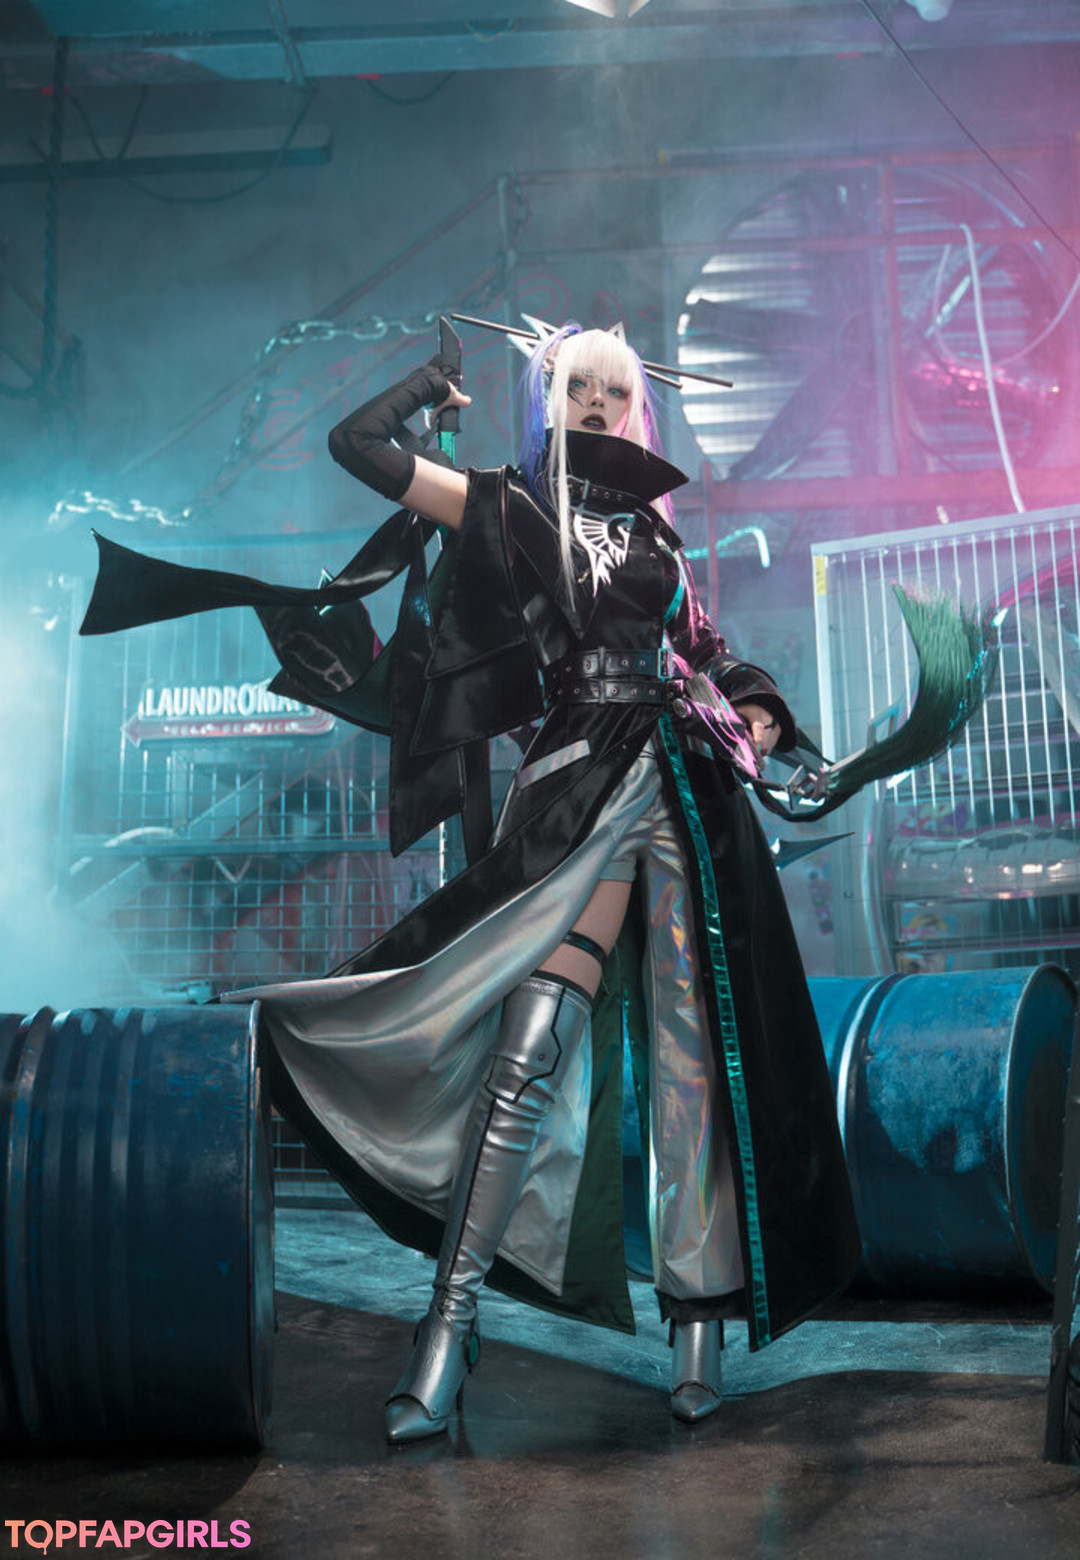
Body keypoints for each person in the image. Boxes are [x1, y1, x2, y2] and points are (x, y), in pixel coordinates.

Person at [81, 319, 984, 1446]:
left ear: (634, 406)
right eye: (575, 388)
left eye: (613, 391)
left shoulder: (657, 531)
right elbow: (358, 446)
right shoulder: (507, 505)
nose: (597, 405)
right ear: (545, 400)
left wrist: (756, 712)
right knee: (527, 1052)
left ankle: (697, 1329)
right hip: (580, 789)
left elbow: (705, 650)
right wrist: (428, 387)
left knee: (697, 1062)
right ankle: (448, 1329)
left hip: (688, 791)